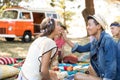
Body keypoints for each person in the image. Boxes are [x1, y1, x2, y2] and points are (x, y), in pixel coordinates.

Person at [62, 14, 117, 80]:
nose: (87, 27)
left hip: (111, 78)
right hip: (102, 74)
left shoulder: (108, 41)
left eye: (89, 25)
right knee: (90, 68)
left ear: (98, 26)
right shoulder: (95, 41)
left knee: (78, 76)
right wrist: (66, 39)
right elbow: (81, 49)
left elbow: (111, 66)